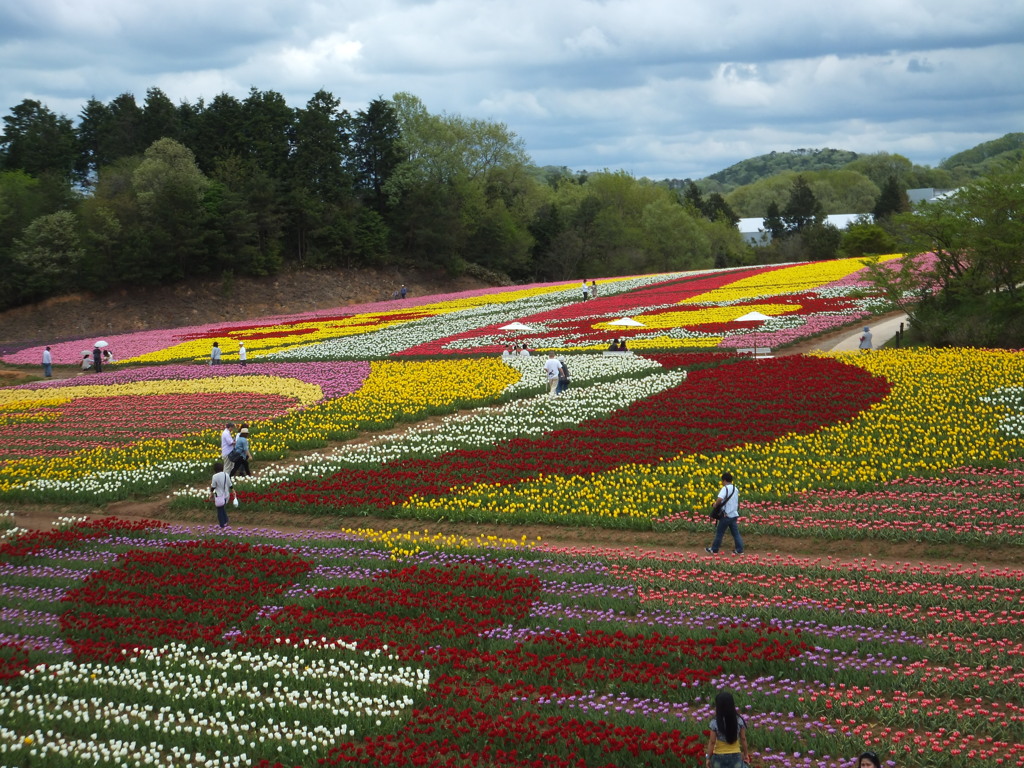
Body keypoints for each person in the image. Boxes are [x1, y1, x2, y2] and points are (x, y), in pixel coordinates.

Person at [705, 691, 750, 768]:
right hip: (735, 756)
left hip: (718, 757)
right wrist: (746, 754)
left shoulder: (715, 722)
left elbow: (712, 742)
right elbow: (743, 738)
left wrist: (708, 758)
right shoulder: (739, 720)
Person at [706, 471, 744, 555]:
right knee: (736, 533)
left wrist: (715, 505)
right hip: (734, 514)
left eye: (722, 481)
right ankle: (740, 550)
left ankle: (714, 549)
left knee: (720, 533)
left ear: (724, 480)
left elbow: (720, 499)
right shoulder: (735, 488)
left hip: (726, 515)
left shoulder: (725, 488)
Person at [209, 460, 233, 528]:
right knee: (222, 508)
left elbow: (213, 486)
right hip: (226, 495)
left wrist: (211, 493)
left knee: (219, 509)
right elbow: (230, 484)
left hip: (219, 495)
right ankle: (226, 520)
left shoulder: (215, 476)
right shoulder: (226, 475)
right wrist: (233, 491)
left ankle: (222, 524)